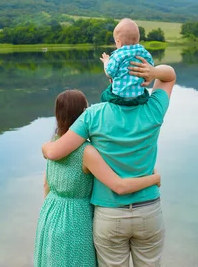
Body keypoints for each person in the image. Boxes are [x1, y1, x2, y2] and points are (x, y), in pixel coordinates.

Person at [42, 23, 177, 266]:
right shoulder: (154, 109)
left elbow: (54, 152)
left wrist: (46, 147)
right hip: (149, 210)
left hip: (109, 214)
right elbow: (170, 77)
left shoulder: (93, 115)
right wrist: (154, 73)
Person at [34, 89, 161, 267]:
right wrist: (153, 179)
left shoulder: (53, 143)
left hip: (50, 215)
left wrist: (52, 215)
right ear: (82, 113)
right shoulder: (87, 152)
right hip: (76, 221)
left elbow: (46, 185)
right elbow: (119, 185)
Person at [100, 18, 154, 107]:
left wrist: (106, 61)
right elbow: (150, 69)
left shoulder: (118, 55)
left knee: (104, 95)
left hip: (120, 98)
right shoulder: (144, 53)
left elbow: (109, 73)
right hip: (139, 97)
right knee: (145, 93)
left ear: (118, 42)